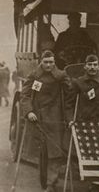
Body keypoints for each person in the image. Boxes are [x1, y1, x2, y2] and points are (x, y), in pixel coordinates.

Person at [65, 54, 99, 192]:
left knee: (98, 154)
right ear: (85, 66)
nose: (92, 67)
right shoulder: (78, 83)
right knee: (83, 154)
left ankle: (95, 184)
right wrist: (70, 119)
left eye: (95, 65)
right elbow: (69, 104)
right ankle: (86, 177)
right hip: (82, 123)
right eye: (89, 65)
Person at [20, 50, 72, 192]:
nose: (48, 65)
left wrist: (69, 117)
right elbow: (25, 95)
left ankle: (51, 183)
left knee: (54, 151)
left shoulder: (61, 75)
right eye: (45, 62)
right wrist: (29, 111)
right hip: (37, 117)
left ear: (54, 62)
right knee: (41, 151)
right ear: (41, 62)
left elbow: (70, 96)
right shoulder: (34, 75)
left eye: (51, 62)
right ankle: (44, 181)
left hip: (54, 117)